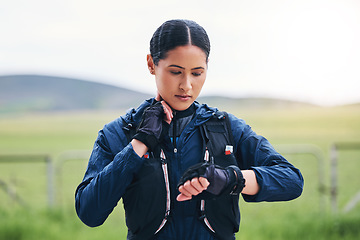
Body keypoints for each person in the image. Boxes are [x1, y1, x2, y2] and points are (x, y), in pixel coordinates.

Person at [75, 19, 304, 240]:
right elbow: (89, 212)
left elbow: (292, 180)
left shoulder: (226, 127)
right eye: (176, 71)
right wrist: (139, 143)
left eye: (197, 73)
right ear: (151, 64)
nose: (187, 85)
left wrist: (231, 179)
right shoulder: (120, 132)